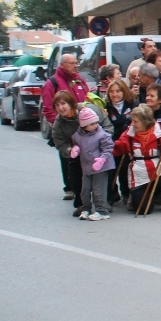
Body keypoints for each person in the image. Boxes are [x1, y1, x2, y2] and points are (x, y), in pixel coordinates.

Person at [52, 90, 114, 215]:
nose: (61, 108)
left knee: (102, 178)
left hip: (98, 151)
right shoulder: (59, 123)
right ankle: (82, 205)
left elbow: (107, 126)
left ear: (71, 103)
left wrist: (101, 142)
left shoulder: (88, 110)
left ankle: (105, 202)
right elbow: (60, 142)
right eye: (57, 105)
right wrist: (70, 150)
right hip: (78, 154)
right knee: (76, 177)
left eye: (63, 103)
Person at [113, 104, 161, 213]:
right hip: (138, 171)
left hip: (159, 168)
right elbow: (117, 149)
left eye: (136, 121)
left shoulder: (160, 134)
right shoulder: (128, 134)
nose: (132, 124)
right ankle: (136, 195)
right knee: (143, 209)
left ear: (145, 122)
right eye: (132, 121)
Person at [42, 54, 92, 201]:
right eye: (72, 63)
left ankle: (85, 186)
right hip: (65, 127)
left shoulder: (79, 80)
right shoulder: (52, 83)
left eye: (76, 63)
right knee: (68, 157)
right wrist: (60, 123)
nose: (76, 66)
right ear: (62, 65)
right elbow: (47, 108)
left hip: (83, 124)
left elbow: (88, 98)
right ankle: (70, 187)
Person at [70, 107, 115, 220]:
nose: (95, 125)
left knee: (98, 189)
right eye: (92, 124)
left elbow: (108, 147)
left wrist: (102, 159)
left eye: (96, 122)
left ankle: (102, 210)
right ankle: (86, 208)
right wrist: (76, 149)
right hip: (86, 167)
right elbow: (77, 143)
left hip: (101, 167)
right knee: (85, 190)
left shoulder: (102, 134)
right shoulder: (78, 135)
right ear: (84, 125)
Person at [104, 79, 136, 204]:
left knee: (124, 169)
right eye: (111, 91)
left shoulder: (132, 104)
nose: (115, 94)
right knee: (111, 170)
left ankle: (126, 193)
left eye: (118, 91)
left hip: (127, 142)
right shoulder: (106, 107)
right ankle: (112, 194)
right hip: (111, 142)